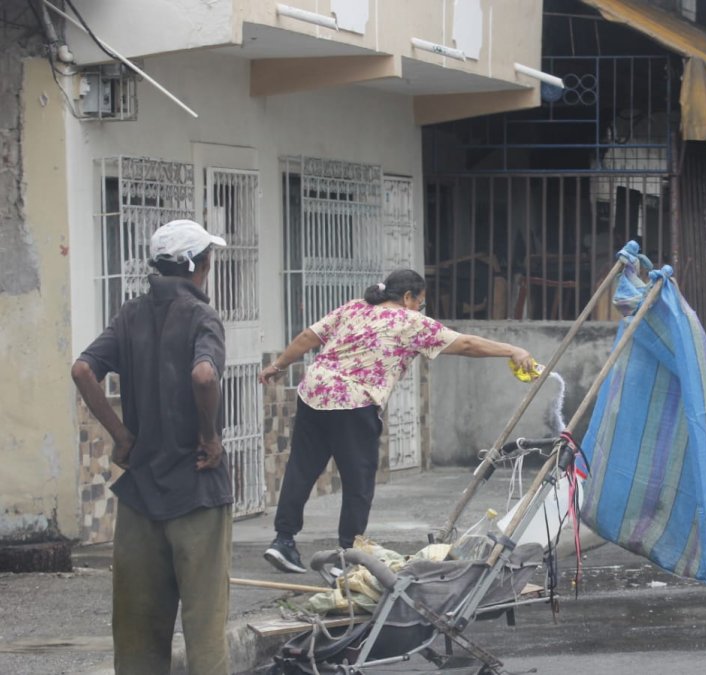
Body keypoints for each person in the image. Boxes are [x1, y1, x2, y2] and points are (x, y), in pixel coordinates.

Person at [260, 268, 538, 573]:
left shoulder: (353, 308)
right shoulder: (410, 322)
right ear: (408, 297)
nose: (420, 308)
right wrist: (512, 350)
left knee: (302, 468)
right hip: (354, 402)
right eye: (420, 302)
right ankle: (346, 556)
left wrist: (278, 365)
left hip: (313, 393)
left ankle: (283, 541)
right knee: (358, 481)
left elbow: (308, 337)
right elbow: (466, 345)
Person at [71, 219, 232, 674]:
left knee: (137, 635)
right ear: (197, 265)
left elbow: (83, 370)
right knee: (205, 629)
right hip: (197, 492)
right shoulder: (202, 317)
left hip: (141, 496)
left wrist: (121, 436)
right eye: (208, 259)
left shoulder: (130, 314)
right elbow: (204, 375)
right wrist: (209, 436)